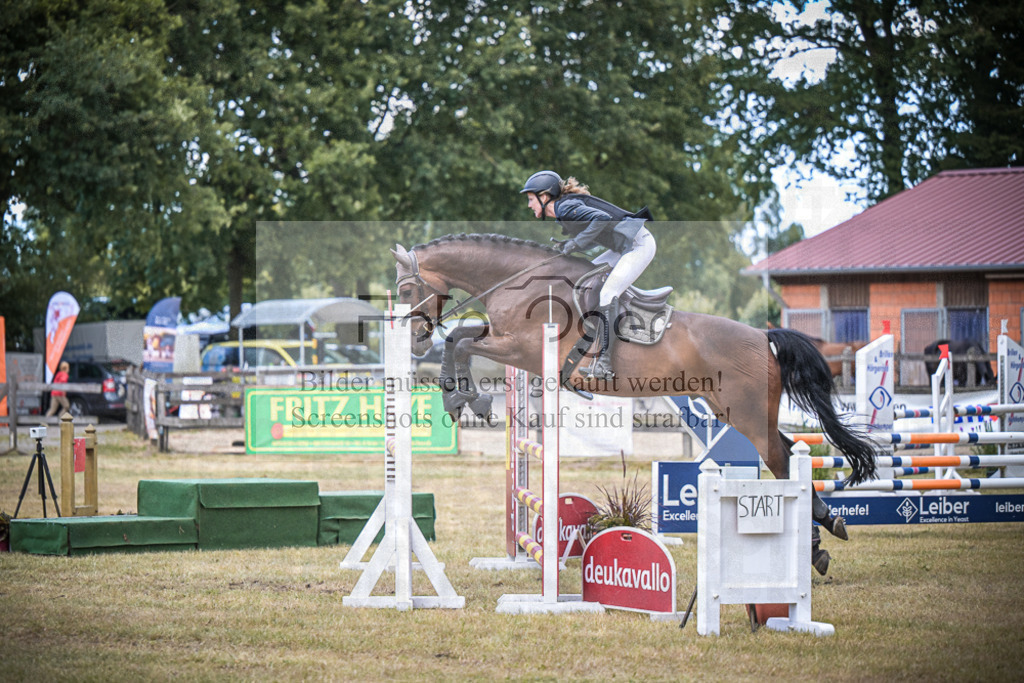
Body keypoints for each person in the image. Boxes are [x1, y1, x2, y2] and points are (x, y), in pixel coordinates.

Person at [520, 170, 655, 380]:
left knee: (608, 293)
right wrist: (571, 245)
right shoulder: (564, 211)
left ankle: (605, 364)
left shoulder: (564, 208)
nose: (529, 205)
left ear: (544, 197)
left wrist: (576, 243)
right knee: (582, 280)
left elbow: (602, 218)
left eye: (531, 199)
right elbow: (599, 232)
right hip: (622, 247)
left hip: (638, 244)